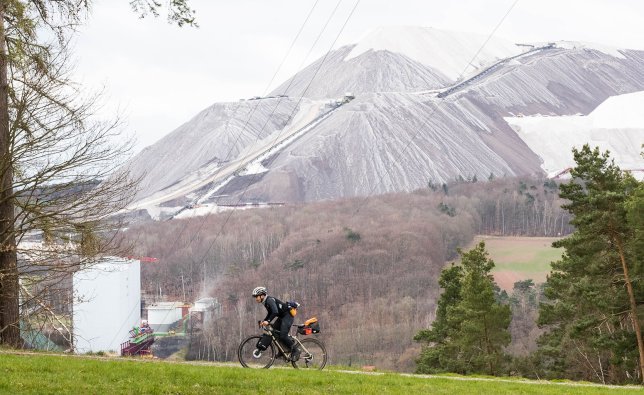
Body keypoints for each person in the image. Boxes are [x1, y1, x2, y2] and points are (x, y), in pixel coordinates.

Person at [252, 286, 300, 361]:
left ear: (262, 295)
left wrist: (267, 321)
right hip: (282, 317)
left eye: (256, 296)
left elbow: (275, 312)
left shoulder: (269, 300)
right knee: (274, 333)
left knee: (283, 336)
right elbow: (270, 313)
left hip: (287, 316)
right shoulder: (265, 301)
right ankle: (281, 351)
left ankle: (295, 350)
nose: (256, 299)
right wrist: (264, 321)